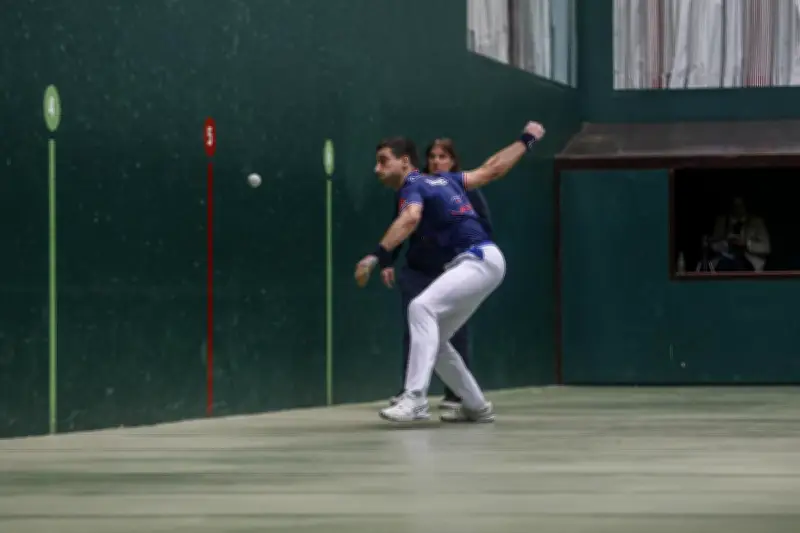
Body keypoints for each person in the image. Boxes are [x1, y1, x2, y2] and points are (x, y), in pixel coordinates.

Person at [354, 121, 545, 423]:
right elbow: (492, 169)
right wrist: (526, 140)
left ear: (405, 162)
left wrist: (376, 256)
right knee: (438, 342)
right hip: (485, 261)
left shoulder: (413, 186)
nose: (377, 169)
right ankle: (476, 405)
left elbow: (411, 217)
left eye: (383, 161)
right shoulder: (447, 181)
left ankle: (414, 399)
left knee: (420, 308)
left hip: (477, 259)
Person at [381, 139, 493, 411]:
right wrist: (387, 260)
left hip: (455, 269)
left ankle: (457, 396)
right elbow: (401, 224)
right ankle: (411, 393)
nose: (436, 161)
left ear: (453, 161)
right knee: (417, 324)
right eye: (432, 156)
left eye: (443, 157)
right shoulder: (415, 187)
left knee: (453, 333)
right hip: (419, 270)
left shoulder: (463, 188)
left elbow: (482, 225)